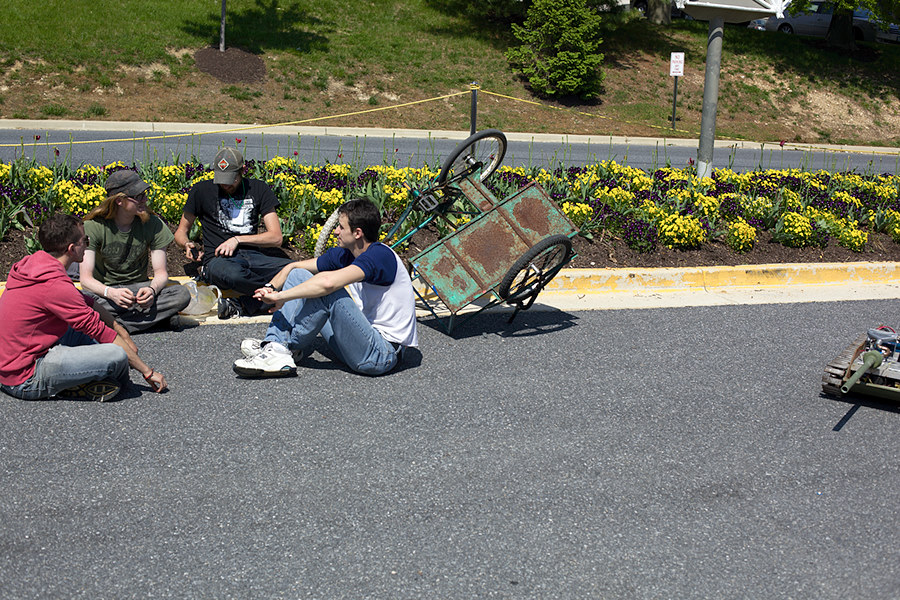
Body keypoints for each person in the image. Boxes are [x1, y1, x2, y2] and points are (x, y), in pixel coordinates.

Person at [233, 198, 418, 378]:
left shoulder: (380, 255)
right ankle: (277, 345)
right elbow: (292, 268)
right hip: (361, 342)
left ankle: (280, 347)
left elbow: (328, 284)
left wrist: (282, 297)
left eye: (341, 227)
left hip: (381, 354)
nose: (335, 232)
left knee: (329, 290)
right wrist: (270, 287)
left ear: (357, 233)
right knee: (299, 275)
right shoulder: (346, 255)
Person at [0, 213, 168, 402]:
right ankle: (79, 385)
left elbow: (88, 302)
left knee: (93, 338)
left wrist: (123, 332)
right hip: (25, 378)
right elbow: (99, 331)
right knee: (116, 355)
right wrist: (147, 372)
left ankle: (79, 379)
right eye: (85, 240)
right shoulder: (54, 285)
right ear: (72, 249)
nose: (88, 244)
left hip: (13, 362)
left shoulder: (35, 263)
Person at [174, 147, 291, 319]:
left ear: (243, 170)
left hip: (253, 256)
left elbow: (276, 237)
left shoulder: (258, 189)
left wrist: (237, 239)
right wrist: (187, 244)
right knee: (234, 275)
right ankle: (278, 296)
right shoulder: (201, 191)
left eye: (231, 179)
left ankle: (250, 303)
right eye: (221, 179)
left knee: (294, 270)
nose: (225, 184)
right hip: (218, 259)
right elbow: (180, 232)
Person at [79, 169, 193, 333]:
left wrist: (152, 291)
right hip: (106, 293)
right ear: (119, 201)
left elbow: (161, 273)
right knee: (83, 303)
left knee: (181, 294)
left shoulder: (153, 224)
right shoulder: (93, 226)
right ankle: (155, 320)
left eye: (144, 194)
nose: (144, 200)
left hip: (139, 290)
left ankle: (116, 324)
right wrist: (111, 293)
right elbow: (86, 280)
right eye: (138, 196)